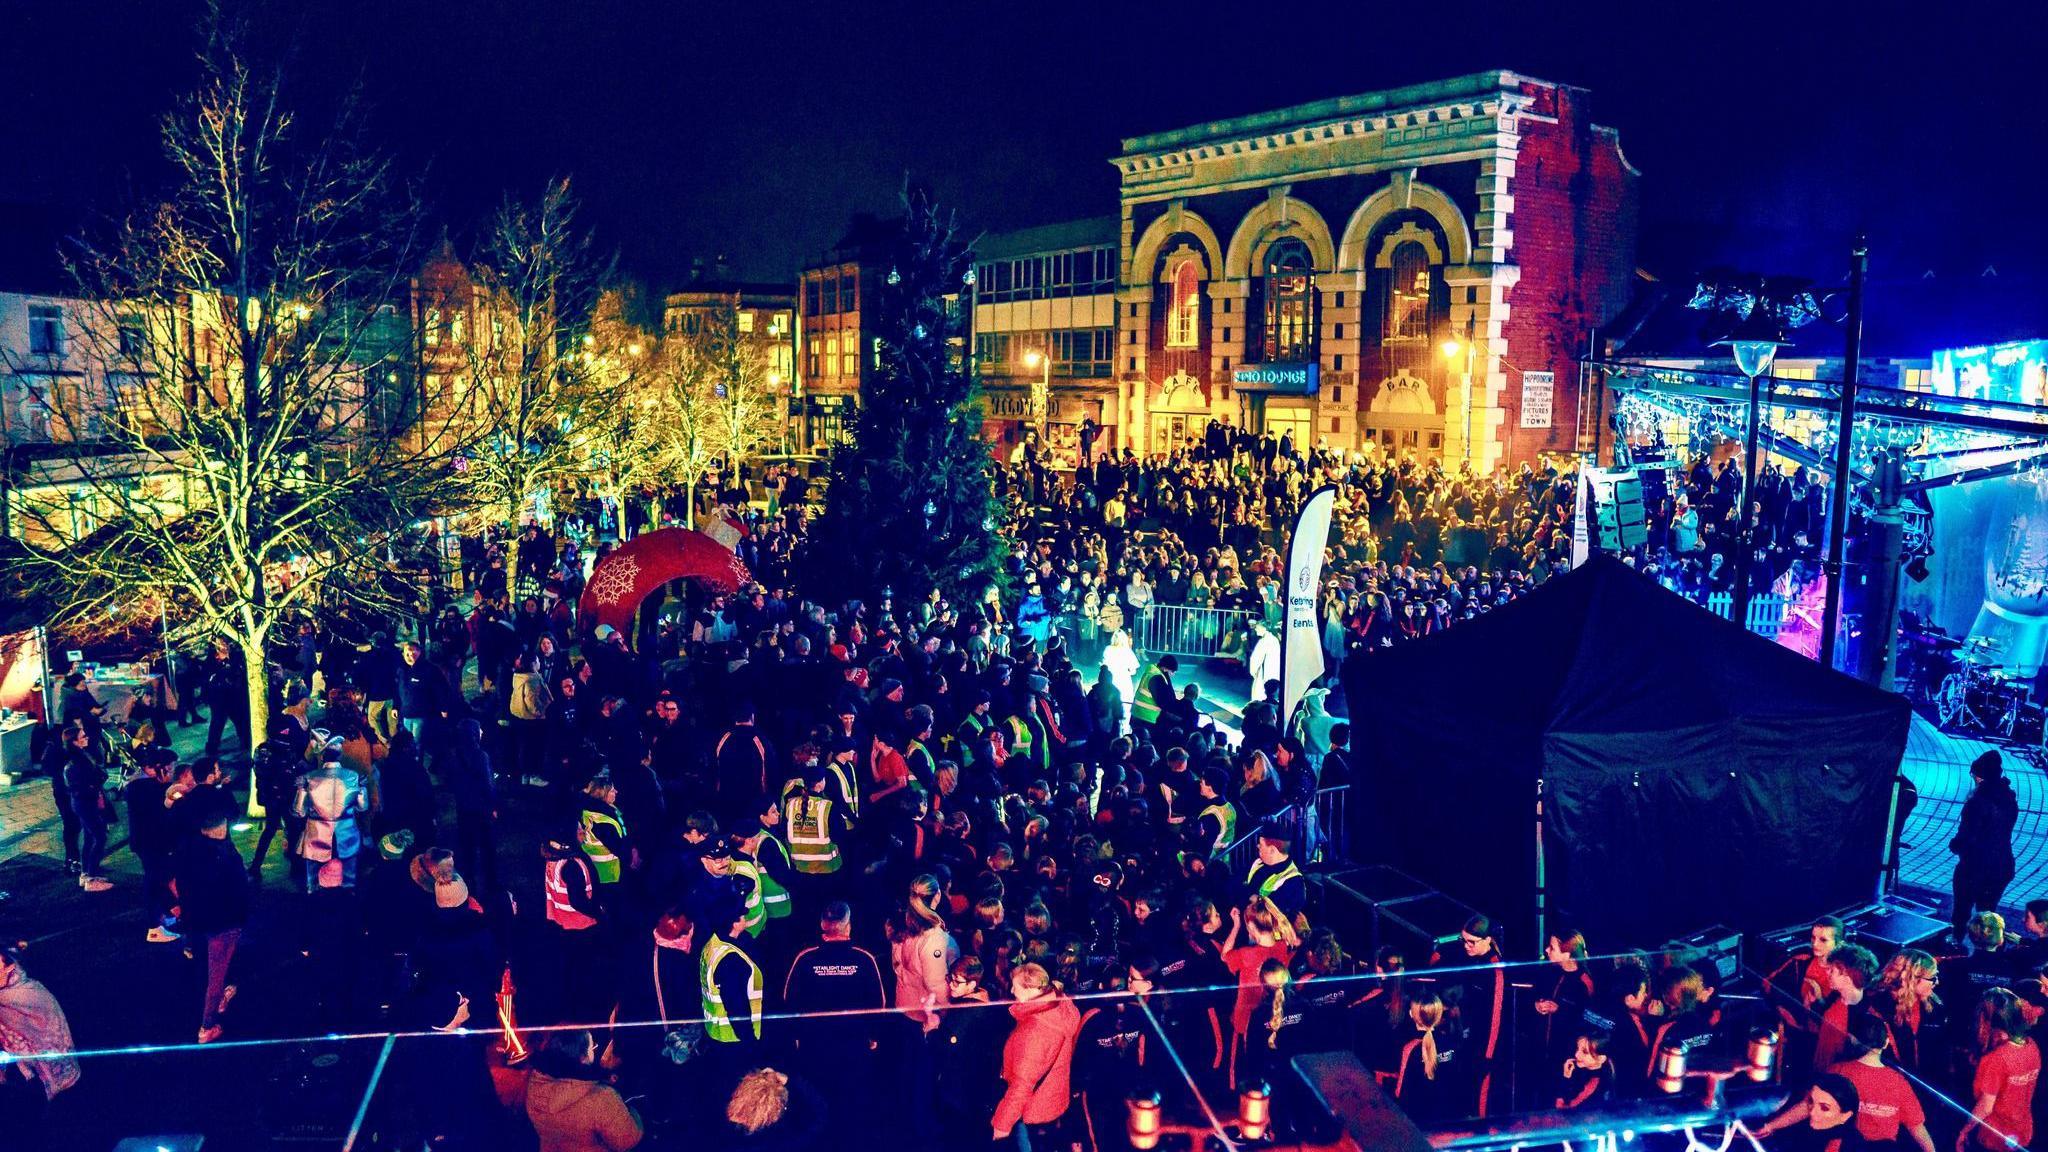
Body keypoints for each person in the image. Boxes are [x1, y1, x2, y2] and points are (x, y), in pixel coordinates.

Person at [1760, 1012, 1935, 1152]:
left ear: (1853, 1040)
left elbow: (1807, 1107)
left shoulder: (1839, 1071)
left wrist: (1770, 1126)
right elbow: (1918, 1129)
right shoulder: (1899, 1083)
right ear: (1886, 1043)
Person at [178, 797, 250, 1043]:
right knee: (216, 974)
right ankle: (207, 1026)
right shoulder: (225, 857)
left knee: (204, 967)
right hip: (223, 923)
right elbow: (239, 890)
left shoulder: (189, 849)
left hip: (196, 921)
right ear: (222, 826)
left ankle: (215, 1002)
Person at [992, 962, 1081, 1148]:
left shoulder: (1035, 1031)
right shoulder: (1059, 1006)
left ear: (1030, 989)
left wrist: (1002, 1125)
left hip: (1034, 1110)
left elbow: (1022, 1085)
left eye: (1015, 987)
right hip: (1054, 1097)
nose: (1012, 991)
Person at [0, 945, 79, 1141]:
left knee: (38, 1126)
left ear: (9, 968)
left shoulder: (30, 993)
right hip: (16, 1072)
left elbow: (50, 1032)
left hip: (44, 1075)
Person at [524, 1029, 645, 1152]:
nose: (595, 1050)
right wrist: (633, 1110)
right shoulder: (601, 1098)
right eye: (592, 1047)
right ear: (583, 1058)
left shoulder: (536, 1085)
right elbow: (628, 1140)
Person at [1950, 750, 2019, 943]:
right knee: (1988, 912)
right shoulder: (2009, 799)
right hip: (2002, 865)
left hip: (1975, 867)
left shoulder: (1976, 803)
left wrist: (1955, 845)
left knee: (1962, 908)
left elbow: (1967, 836)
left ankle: (1957, 942)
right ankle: (1988, 948)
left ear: (1979, 778)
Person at [1960, 988, 2040, 1152]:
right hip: (2022, 1132)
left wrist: (1964, 1131)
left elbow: (1986, 1106)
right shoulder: (2032, 1046)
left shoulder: (1996, 1058)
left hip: (1994, 1137)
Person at [294, 740, 369, 891]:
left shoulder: (310, 777)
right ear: (340, 756)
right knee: (348, 879)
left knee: (314, 880)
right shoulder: (353, 776)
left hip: (317, 834)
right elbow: (363, 807)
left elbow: (299, 810)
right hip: (346, 833)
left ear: (322, 757)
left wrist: (301, 790)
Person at [890, 874, 960, 1034]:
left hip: (904, 1004)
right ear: (938, 895)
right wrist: (948, 1011)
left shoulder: (902, 923)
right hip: (925, 1015)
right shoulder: (933, 939)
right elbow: (934, 983)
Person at [60, 722, 114, 892]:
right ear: (75, 742)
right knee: (100, 836)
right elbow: (85, 783)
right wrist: (95, 785)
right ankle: (90, 877)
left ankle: (86, 873)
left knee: (90, 837)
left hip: (84, 802)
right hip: (85, 803)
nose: (87, 738)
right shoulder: (77, 762)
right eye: (83, 736)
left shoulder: (81, 757)